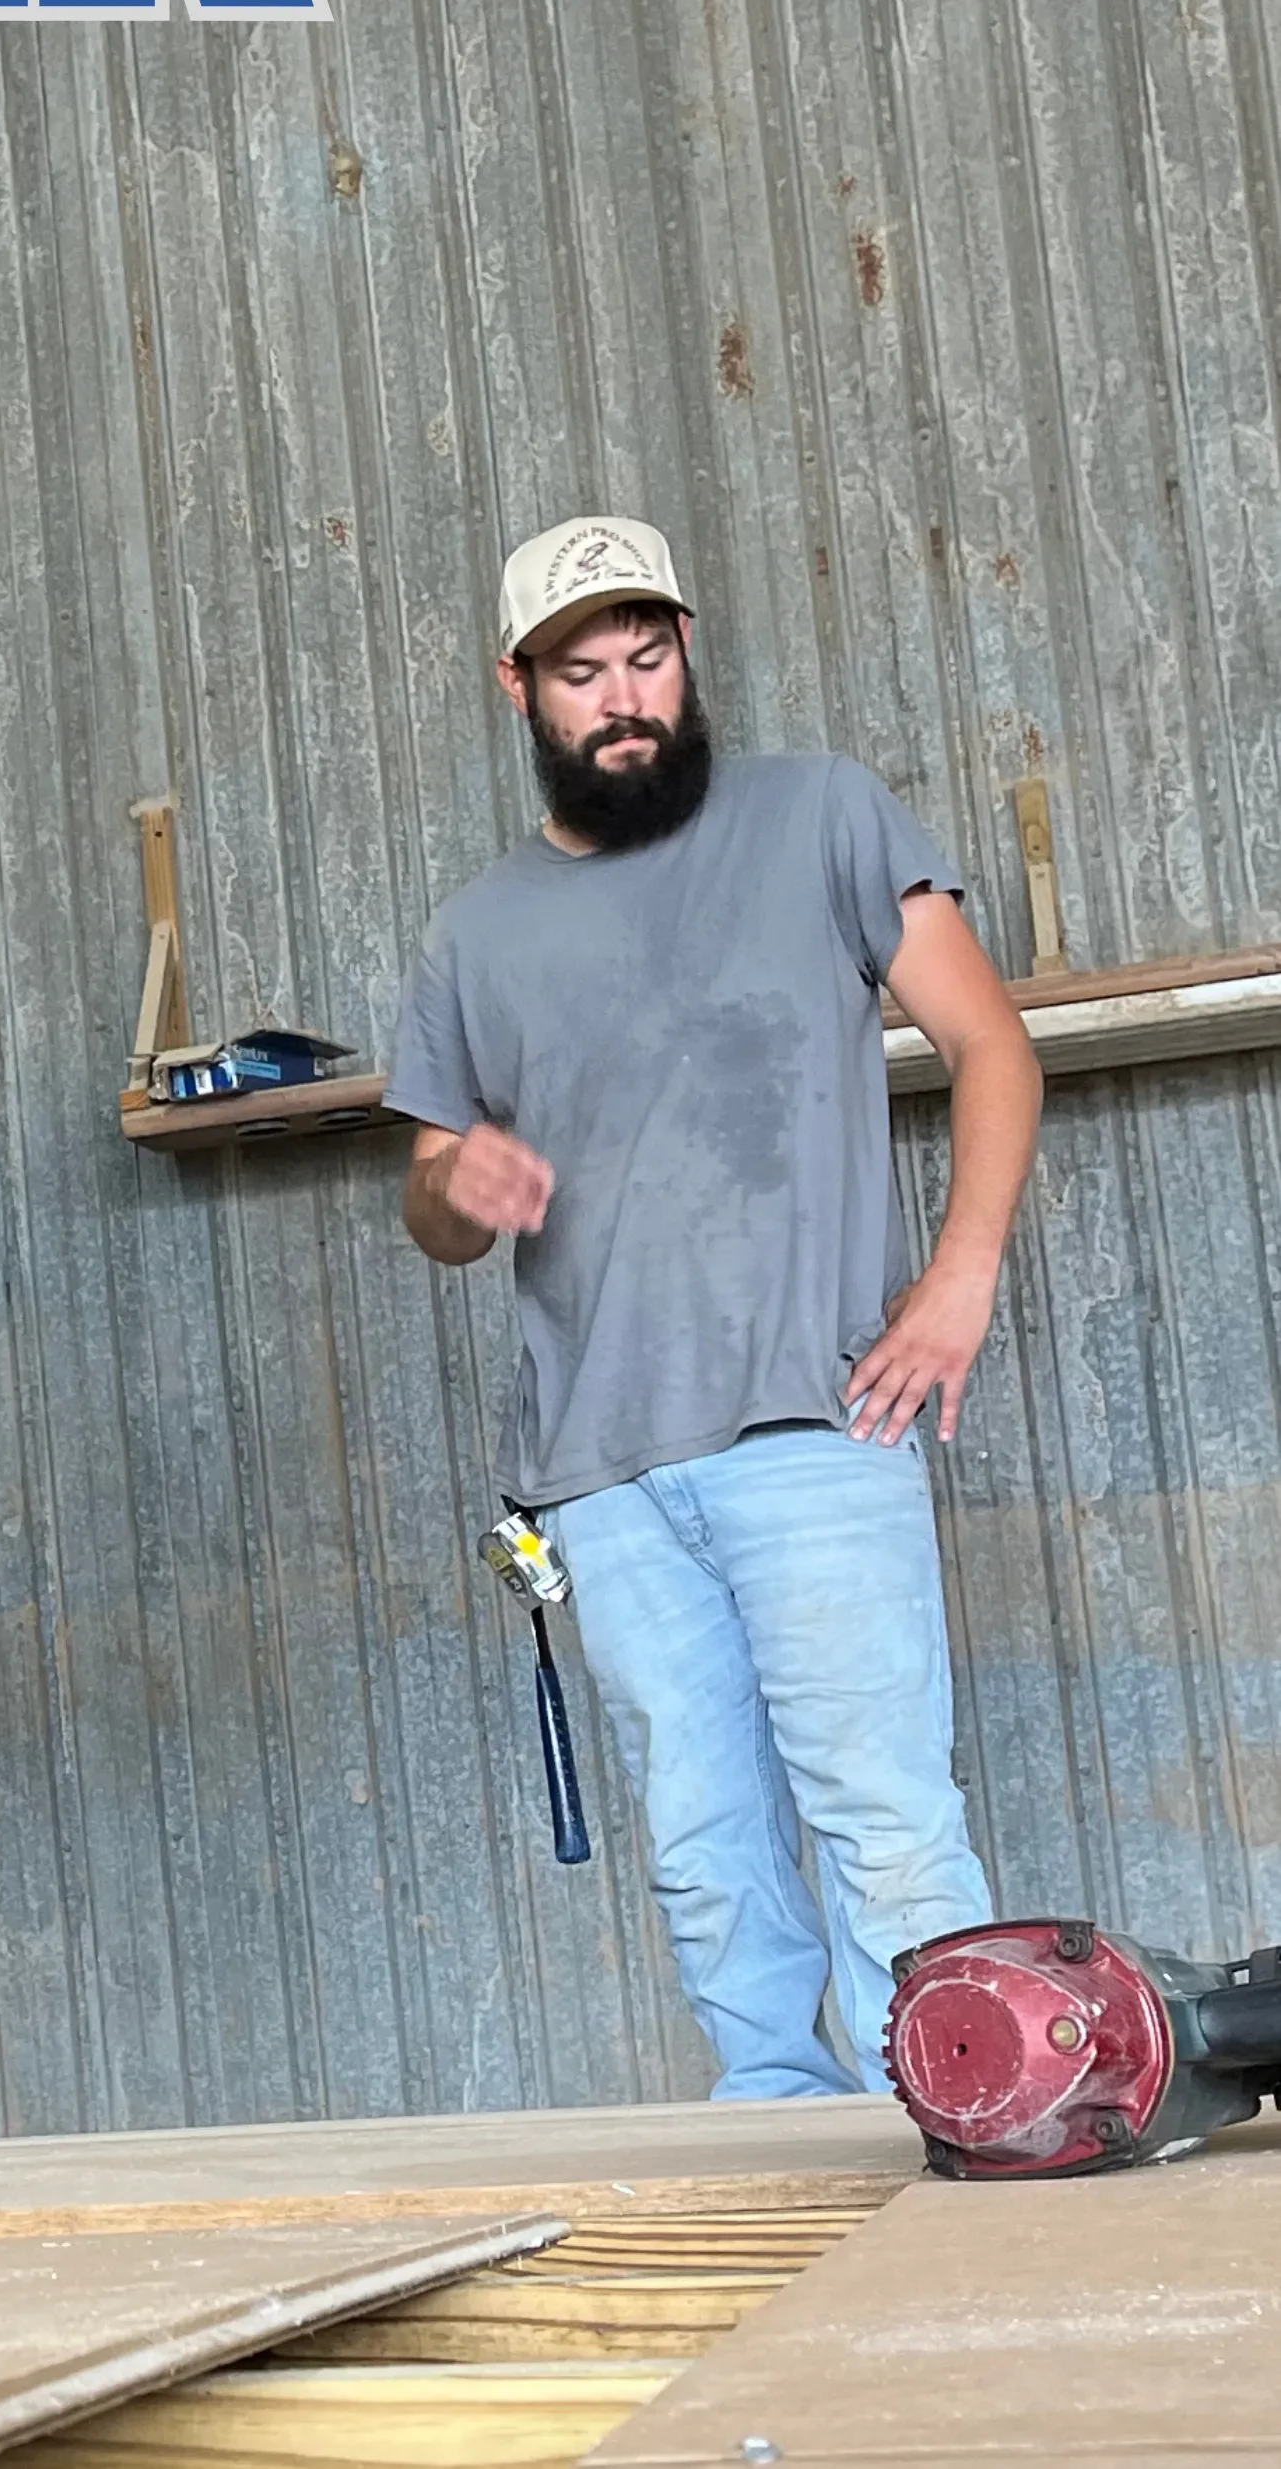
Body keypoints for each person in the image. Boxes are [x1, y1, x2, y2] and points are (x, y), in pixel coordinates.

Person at [387, 513, 1040, 2096]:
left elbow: (993, 1049)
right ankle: (781, 2149)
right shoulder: (475, 933)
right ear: (519, 691)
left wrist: (958, 1279)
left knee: (882, 1820)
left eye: (649, 658)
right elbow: (430, 1203)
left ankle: (953, 2137)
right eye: (582, 672)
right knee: (700, 1848)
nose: (624, 700)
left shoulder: (823, 817)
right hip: (598, 1471)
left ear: (688, 654)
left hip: (818, 1423)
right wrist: (452, 1189)